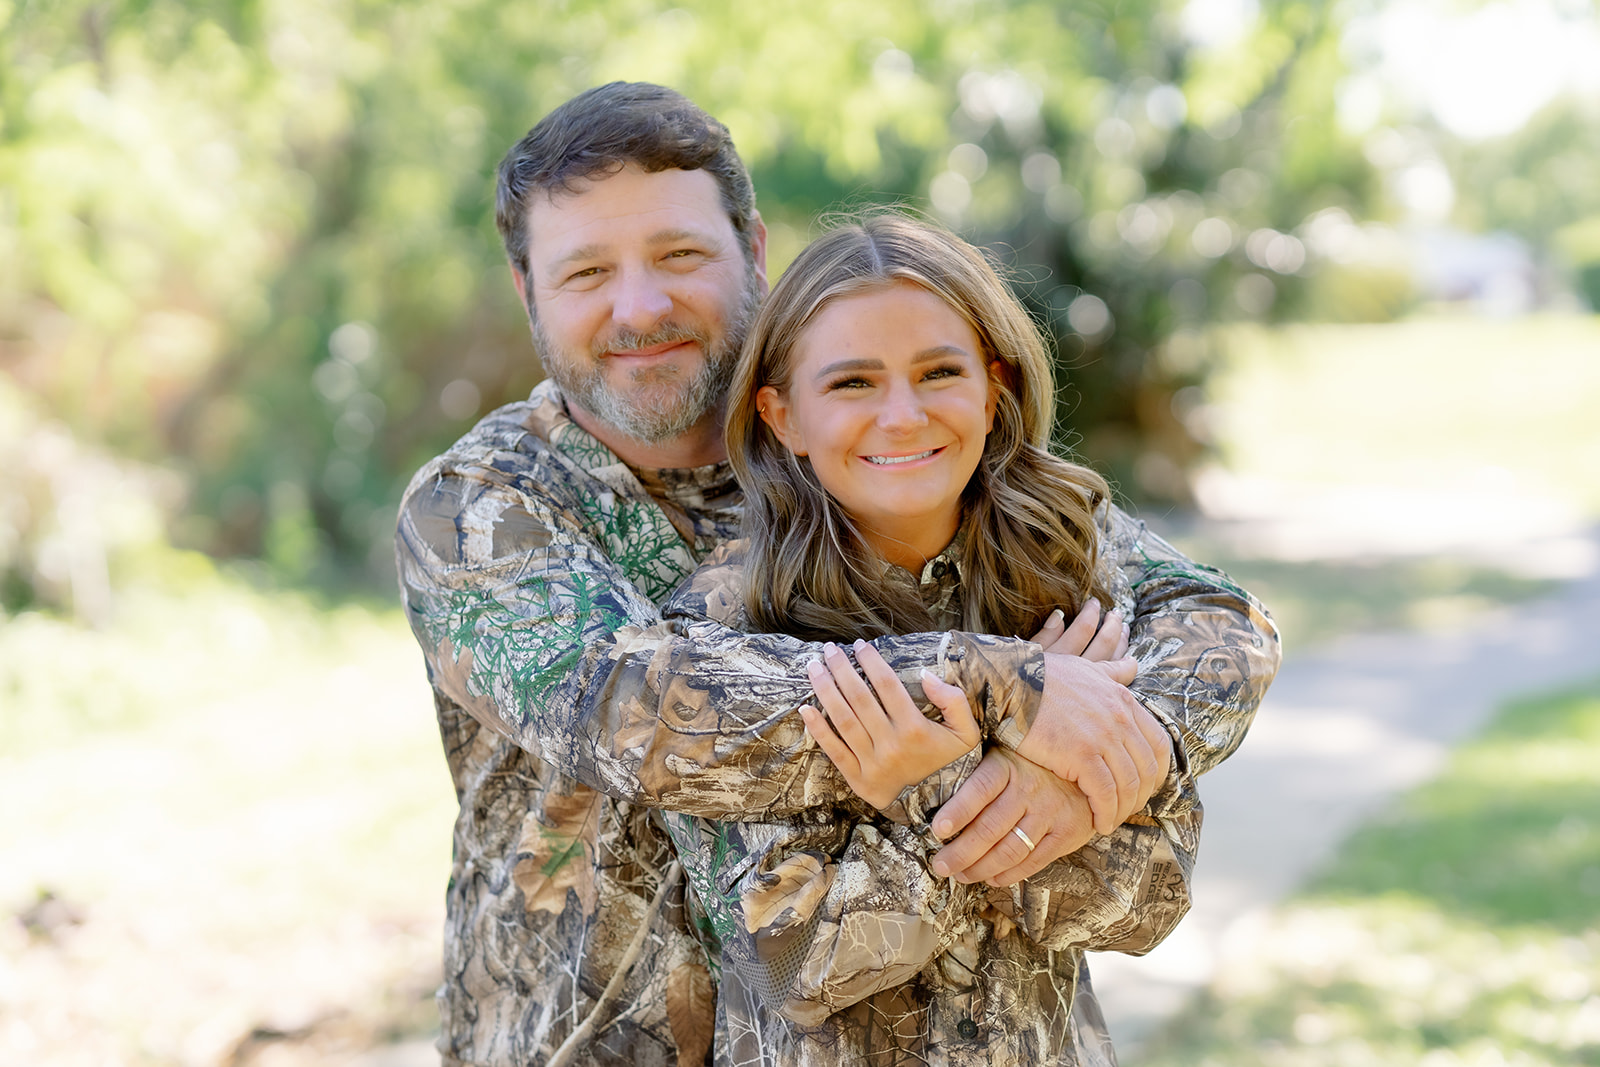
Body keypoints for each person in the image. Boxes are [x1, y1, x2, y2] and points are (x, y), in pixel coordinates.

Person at [394, 82, 1280, 1067]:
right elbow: (641, 710)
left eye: (680, 255)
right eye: (586, 271)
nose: (640, 305)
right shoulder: (481, 506)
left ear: (753, 251)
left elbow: (1212, 624)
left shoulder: (867, 451)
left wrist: (1101, 765)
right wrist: (1009, 692)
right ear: (528, 291)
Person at [661, 213, 1263, 1065]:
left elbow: (1143, 902)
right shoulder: (719, 631)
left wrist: (988, 781)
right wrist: (965, 776)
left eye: (938, 372)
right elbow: (792, 965)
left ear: (992, 388)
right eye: (853, 384)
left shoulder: (1068, 568)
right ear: (782, 415)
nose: (903, 416)